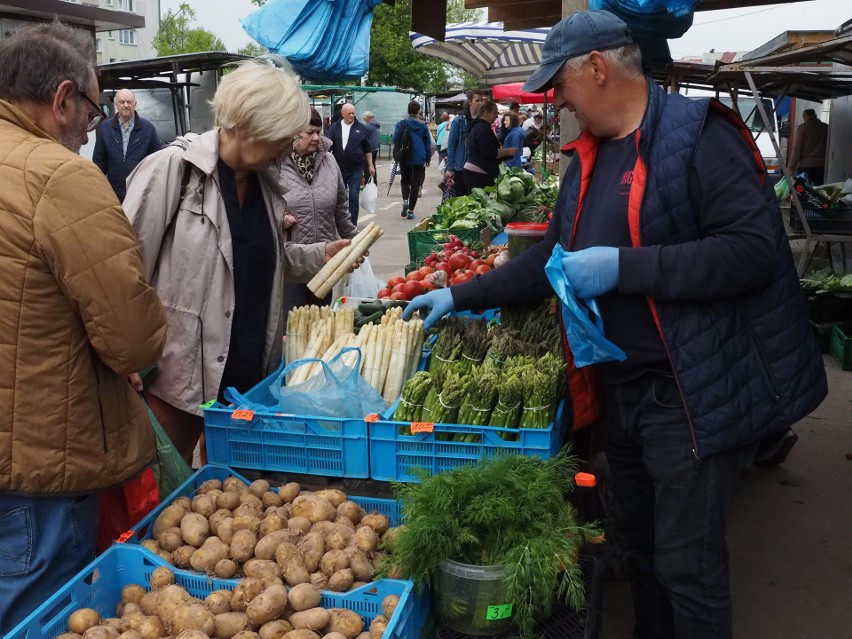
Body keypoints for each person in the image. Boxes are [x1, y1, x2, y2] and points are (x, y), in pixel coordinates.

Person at [404, 10, 827, 639]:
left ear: (597, 69)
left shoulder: (698, 136)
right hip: (622, 389)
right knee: (642, 552)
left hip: (688, 395)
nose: (558, 103)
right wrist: (460, 294)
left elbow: (750, 251)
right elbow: (552, 260)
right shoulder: (588, 159)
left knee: (690, 567)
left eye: (562, 87)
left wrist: (625, 268)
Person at [0, 22, 167, 631]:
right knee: (36, 615)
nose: (88, 129)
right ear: (62, 99)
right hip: (38, 460)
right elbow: (132, 338)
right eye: (92, 113)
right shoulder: (60, 176)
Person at [122, 58, 357, 465]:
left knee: (230, 492)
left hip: (246, 372)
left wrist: (322, 254)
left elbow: (265, 262)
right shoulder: (173, 172)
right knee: (165, 490)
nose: (287, 147)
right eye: (281, 137)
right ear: (248, 126)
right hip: (177, 374)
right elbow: (123, 270)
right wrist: (124, 353)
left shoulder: (266, 184)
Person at [279, 107, 358, 327]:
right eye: (309, 133)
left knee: (321, 323)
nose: (316, 138)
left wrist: (355, 241)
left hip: (325, 260)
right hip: (290, 262)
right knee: (293, 325)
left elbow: (341, 207)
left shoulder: (329, 162)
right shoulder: (276, 164)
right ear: (293, 133)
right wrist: (280, 218)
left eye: (318, 132)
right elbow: (262, 211)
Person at [92, 88, 162, 202]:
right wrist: (98, 190)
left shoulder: (148, 129)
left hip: (140, 194)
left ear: (135, 104)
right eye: (122, 102)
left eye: (129, 102)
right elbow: (99, 163)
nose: (125, 105)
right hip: (113, 194)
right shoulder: (105, 128)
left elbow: (157, 163)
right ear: (116, 105)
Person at [326, 103, 375, 225]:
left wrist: (371, 165)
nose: (352, 115)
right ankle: (339, 223)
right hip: (338, 168)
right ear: (343, 114)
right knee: (338, 197)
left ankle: (352, 224)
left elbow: (367, 149)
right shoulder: (334, 127)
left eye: (353, 113)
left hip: (355, 168)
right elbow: (327, 146)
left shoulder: (361, 128)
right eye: (349, 113)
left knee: (353, 196)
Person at [393, 100, 436, 220]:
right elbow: (428, 143)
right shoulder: (423, 125)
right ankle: (411, 211)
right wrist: (428, 158)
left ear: (408, 110)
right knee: (416, 184)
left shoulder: (401, 124)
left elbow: (396, 139)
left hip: (404, 157)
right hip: (419, 157)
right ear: (418, 111)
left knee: (405, 180)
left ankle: (405, 199)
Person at [462, 100, 516, 191]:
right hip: (479, 174)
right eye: (494, 113)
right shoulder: (483, 128)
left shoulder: (476, 126)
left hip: (473, 171)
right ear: (486, 112)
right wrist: (509, 151)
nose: (496, 116)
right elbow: (490, 152)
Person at [445, 90, 486, 197]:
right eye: (477, 100)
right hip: (461, 167)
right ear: (469, 102)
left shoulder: (483, 121)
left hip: (478, 167)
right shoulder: (459, 121)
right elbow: (452, 145)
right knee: (462, 199)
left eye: (482, 100)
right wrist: (450, 168)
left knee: (477, 200)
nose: (480, 103)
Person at [789, 107, 828, 185]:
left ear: (804, 117)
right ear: (815, 116)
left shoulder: (802, 128)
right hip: (821, 166)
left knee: (802, 191)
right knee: (819, 191)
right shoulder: (826, 127)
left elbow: (796, 150)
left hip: (805, 165)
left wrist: (791, 168)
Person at [362, 110, 381, 186]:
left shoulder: (367, 126)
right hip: (375, 148)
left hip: (369, 149)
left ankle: (368, 182)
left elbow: (362, 137)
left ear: (368, 118)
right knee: (373, 165)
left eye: (364, 118)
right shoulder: (376, 125)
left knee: (367, 166)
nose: (364, 120)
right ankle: (374, 181)